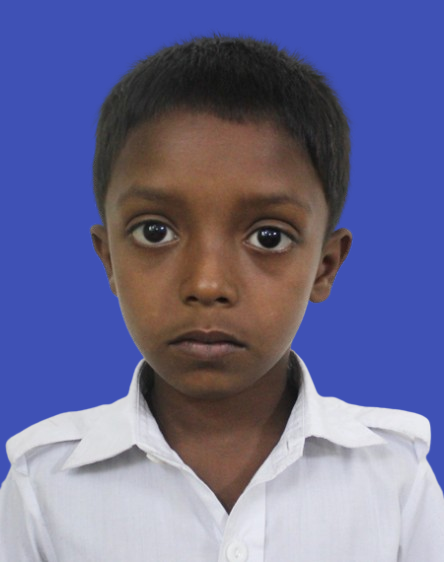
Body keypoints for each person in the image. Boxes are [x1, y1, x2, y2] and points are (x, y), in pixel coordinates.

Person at [0, 34, 443, 561]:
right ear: (109, 258)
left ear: (325, 267)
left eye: (269, 237)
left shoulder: (394, 477)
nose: (207, 284)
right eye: (155, 231)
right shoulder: (43, 487)